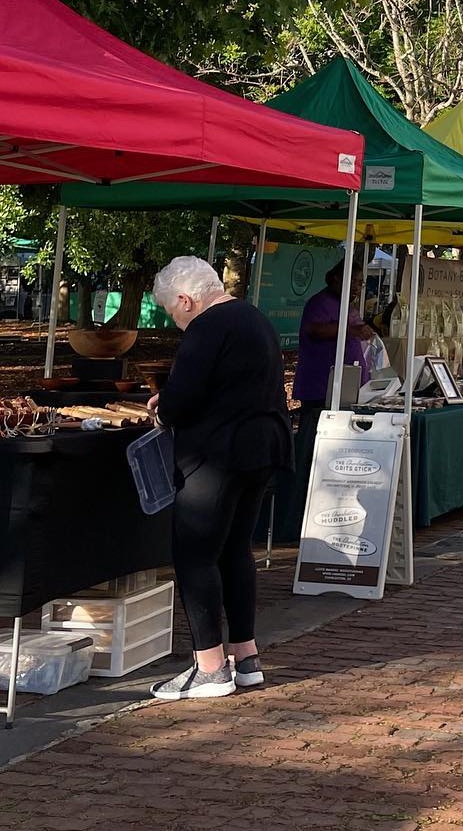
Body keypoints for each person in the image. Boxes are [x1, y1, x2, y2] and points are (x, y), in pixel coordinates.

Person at [146, 257, 291, 700]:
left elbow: (184, 398)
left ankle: (209, 666)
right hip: (262, 447)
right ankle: (245, 657)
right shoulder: (253, 317)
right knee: (234, 551)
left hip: (218, 454)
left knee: (195, 555)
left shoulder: (207, 328)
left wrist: (161, 406)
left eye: (173, 312)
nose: (176, 322)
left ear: (186, 300)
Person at [292, 260, 373, 408]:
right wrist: (350, 330)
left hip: (346, 388)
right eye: (353, 281)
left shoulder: (346, 304)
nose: (356, 287)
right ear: (337, 279)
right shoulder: (320, 302)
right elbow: (315, 330)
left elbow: (353, 329)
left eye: (360, 283)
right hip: (321, 388)